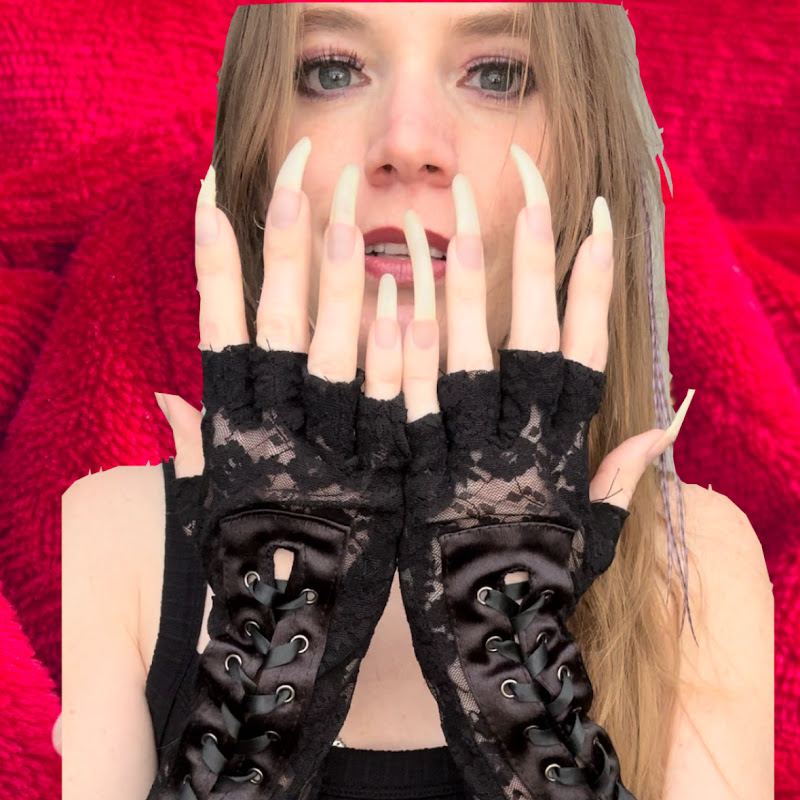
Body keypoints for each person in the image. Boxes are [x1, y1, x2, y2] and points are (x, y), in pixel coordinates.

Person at [62, 4, 773, 800]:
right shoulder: (106, 543)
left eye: (497, 74)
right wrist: (265, 684)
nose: (407, 143)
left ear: (585, 155)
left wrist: (523, 696)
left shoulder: (694, 573)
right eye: (332, 70)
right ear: (257, 152)